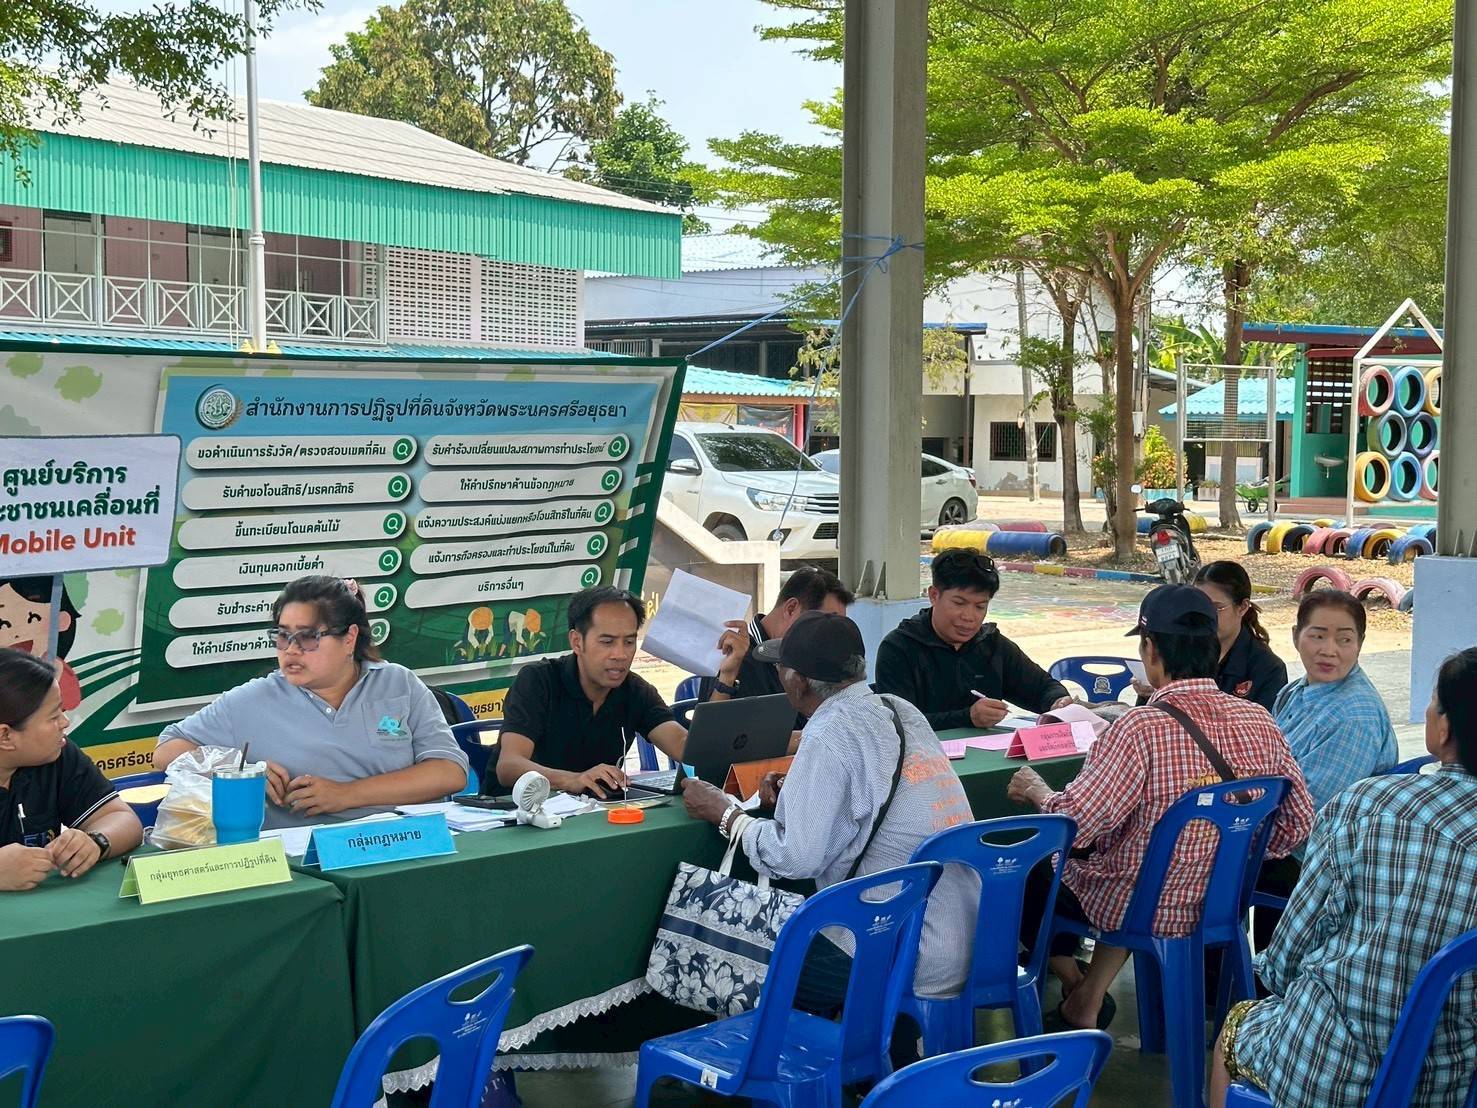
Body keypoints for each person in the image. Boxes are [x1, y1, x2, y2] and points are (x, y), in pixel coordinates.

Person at [1008, 585, 1314, 1031]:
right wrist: (1230, 854)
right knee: (1141, 858)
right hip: (1223, 903)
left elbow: (1075, 824)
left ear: (1149, 649)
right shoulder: (1258, 719)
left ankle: (1070, 982)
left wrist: (1036, 790)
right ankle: (1088, 996)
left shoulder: (1138, 729)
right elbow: (1298, 822)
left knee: (1031, 863)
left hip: (1141, 906)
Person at [1211, 648, 1477, 1108]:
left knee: (1235, 1029)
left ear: (1446, 727)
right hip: (1452, 1079)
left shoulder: (1368, 805)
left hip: (1330, 1066)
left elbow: (1286, 960)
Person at [680, 610, 980, 1017]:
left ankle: (760, 1068)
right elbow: (869, 804)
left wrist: (726, 814)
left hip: (896, 948)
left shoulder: (829, 731)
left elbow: (796, 858)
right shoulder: (899, 710)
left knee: (719, 939)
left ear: (796, 680)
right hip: (965, 938)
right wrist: (793, 798)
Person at [155, 576, 468, 830]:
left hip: (407, 845)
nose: (291, 650)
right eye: (282, 635)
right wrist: (240, 768)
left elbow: (449, 771)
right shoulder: (254, 699)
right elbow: (166, 750)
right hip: (304, 866)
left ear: (349, 638)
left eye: (307, 637)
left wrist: (346, 795)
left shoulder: (398, 684)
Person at [498, 585, 686, 798]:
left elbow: (685, 749)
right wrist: (574, 779)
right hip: (515, 814)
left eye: (629, 642)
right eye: (607, 642)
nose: (620, 654)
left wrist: (724, 678)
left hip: (595, 812)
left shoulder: (636, 691)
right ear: (577, 642)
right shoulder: (538, 680)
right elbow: (509, 767)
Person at [876, 549, 1071, 730]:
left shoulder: (991, 644)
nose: (969, 617)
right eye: (959, 603)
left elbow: (1041, 686)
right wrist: (967, 717)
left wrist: (1057, 701)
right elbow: (900, 722)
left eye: (980, 606)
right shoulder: (899, 648)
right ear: (934, 595)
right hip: (921, 761)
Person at [1, 648, 142, 890]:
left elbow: (123, 819)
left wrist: (94, 842)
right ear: (5, 735)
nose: (65, 723)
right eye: (54, 716)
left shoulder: (58, 754)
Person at [1274, 590, 1398, 812]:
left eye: (1345, 640)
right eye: (1318, 636)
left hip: (1315, 841)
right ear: (1295, 636)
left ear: (1360, 643)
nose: (1329, 651)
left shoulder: (1354, 719)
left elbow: (1310, 813)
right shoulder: (1293, 691)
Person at [700, 565, 854, 707]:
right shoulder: (732, 655)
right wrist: (727, 678)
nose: (831, 636)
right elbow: (709, 733)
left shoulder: (810, 660)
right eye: (825, 623)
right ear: (791, 609)